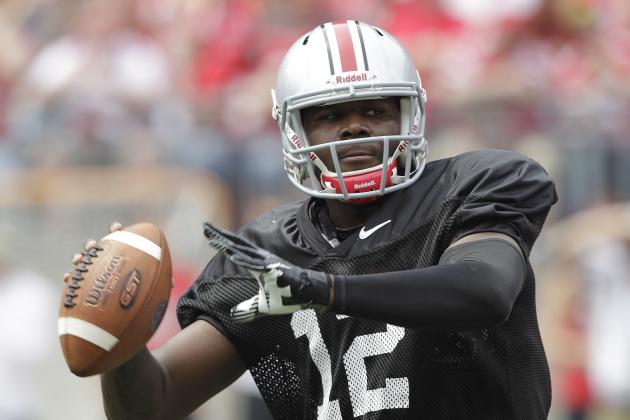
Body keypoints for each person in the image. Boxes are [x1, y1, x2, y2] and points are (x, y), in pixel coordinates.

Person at [76, 21, 557, 419]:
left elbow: (486, 289)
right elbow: (153, 406)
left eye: (375, 109)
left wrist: (324, 289)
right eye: (328, 115)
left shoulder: (471, 185)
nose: (355, 127)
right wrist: (122, 342)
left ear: (411, 116)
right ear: (293, 129)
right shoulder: (266, 251)